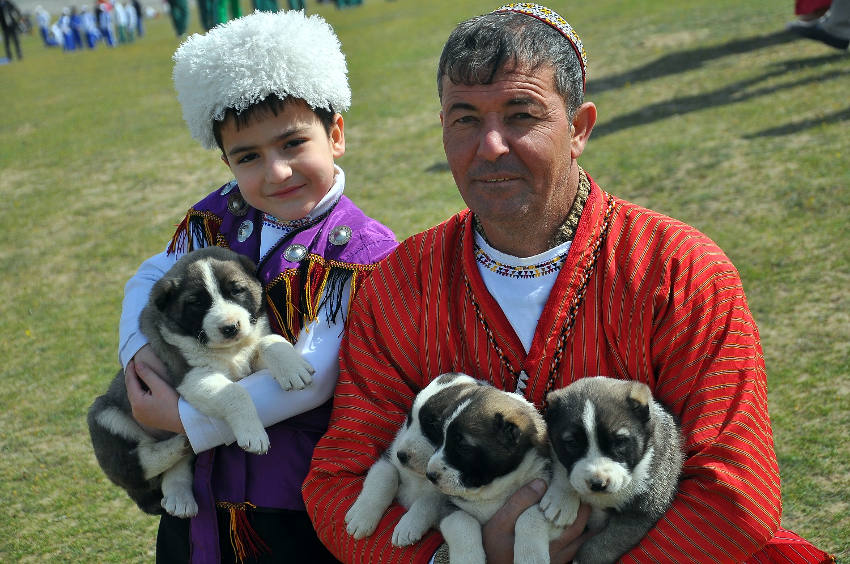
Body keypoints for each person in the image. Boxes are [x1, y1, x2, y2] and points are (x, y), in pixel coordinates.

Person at [303, 4, 835, 563]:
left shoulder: (677, 270)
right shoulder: (398, 288)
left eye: (520, 114)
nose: (490, 146)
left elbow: (735, 490)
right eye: (464, 118)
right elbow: (339, 478)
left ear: (578, 128)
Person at [118, 10, 397, 563]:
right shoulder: (218, 215)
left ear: (335, 133)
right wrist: (138, 358)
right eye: (249, 157)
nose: (276, 173)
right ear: (226, 161)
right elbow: (150, 275)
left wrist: (182, 420)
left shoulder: (362, 249)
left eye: (293, 143)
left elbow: (312, 380)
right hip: (202, 486)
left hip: (292, 490)